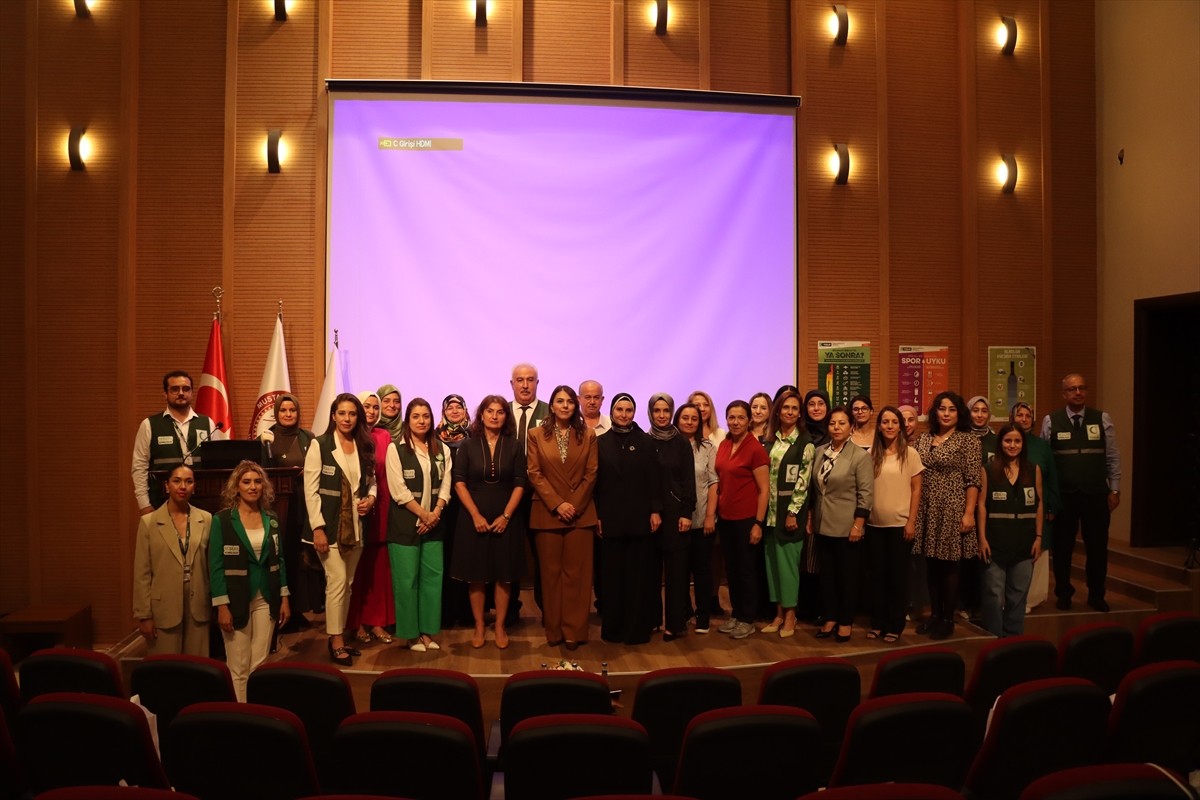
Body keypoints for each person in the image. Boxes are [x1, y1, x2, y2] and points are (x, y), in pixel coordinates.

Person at [304, 393, 377, 666]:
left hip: (357, 528)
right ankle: (335, 639)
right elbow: (310, 492)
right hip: (330, 526)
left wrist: (370, 499)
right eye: (342, 413)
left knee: (346, 584)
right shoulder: (319, 445)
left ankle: (340, 635)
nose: (347, 418)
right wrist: (318, 528)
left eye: (352, 414)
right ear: (333, 415)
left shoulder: (364, 445)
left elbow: (370, 482)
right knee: (335, 582)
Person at [1039, 373, 1121, 612]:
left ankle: (1097, 594)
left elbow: (1113, 456)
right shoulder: (1051, 421)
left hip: (1096, 494)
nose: (1078, 392)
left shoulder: (1102, 419)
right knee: (1062, 548)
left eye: (1082, 388)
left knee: (1097, 547)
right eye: (1072, 389)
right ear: (1064, 393)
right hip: (1064, 496)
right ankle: (1064, 593)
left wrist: (1114, 488)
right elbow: (1045, 461)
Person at [526, 384, 599, 650]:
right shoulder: (535, 434)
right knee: (550, 575)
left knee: (577, 577)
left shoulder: (589, 435)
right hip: (547, 513)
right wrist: (558, 504)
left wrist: (574, 505)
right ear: (552, 405)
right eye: (560, 401)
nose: (565, 405)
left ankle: (574, 632)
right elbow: (534, 473)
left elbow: (592, 474)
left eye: (569, 401)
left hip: (580, 514)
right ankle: (553, 631)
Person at [210, 460, 289, 701]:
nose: (253, 487)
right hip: (235, 599)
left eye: (257, 482)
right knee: (238, 664)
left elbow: (280, 560)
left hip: (267, 596)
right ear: (236, 487)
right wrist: (221, 606)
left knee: (260, 662)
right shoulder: (222, 521)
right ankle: (240, 714)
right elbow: (216, 567)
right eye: (246, 482)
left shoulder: (271, 519)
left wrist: (284, 597)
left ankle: (256, 711)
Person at [451, 395, 526, 649]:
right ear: (480, 415)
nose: (494, 416)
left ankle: (501, 626)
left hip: (507, 518)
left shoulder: (515, 445)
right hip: (473, 518)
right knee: (476, 576)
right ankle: (480, 625)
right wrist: (475, 515)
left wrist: (506, 516)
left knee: (503, 576)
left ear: (506, 416)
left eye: (500, 412)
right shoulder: (467, 446)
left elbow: (520, 484)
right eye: (489, 411)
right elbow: (459, 482)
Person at [911, 391, 982, 640]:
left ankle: (948, 619)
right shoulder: (923, 438)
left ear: (958, 413)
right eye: (942, 409)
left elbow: (973, 480)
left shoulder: (968, 441)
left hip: (953, 508)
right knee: (931, 565)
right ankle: (935, 615)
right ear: (935, 412)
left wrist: (969, 513)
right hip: (927, 508)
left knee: (950, 566)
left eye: (952, 409)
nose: (946, 413)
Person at [595, 394, 664, 645]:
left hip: (639, 520)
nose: (624, 414)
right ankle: (613, 630)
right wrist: (598, 515)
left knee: (638, 579)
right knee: (612, 579)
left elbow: (654, 479)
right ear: (612, 411)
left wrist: (656, 510)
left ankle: (636, 630)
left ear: (634, 413)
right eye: (619, 409)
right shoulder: (600, 442)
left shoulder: (646, 442)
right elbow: (596, 484)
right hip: (611, 519)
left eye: (628, 410)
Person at [386, 398, 452, 652]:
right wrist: (424, 515)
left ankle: (426, 632)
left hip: (435, 524)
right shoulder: (397, 449)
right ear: (408, 420)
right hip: (406, 525)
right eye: (416, 416)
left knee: (432, 581)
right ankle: (410, 634)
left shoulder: (441, 449)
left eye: (425, 416)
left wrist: (435, 512)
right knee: (407, 581)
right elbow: (398, 490)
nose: (421, 421)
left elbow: (446, 484)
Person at [132, 465, 212, 656]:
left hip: (197, 605)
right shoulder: (149, 522)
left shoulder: (206, 519)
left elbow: (211, 566)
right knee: (165, 671)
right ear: (167, 486)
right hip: (164, 607)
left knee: (197, 668)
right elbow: (142, 572)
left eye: (188, 481)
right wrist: (144, 616)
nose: (182, 486)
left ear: (194, 486)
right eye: (176, 481)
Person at [809, 407, 874, 642]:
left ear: (851, 427)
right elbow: (814, 491)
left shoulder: (859, 456)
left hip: (848, 527)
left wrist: (858, 524)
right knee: (827, 577)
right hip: (822, 524)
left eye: (842, 423)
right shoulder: (819, 452)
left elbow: (866, 494)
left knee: (847, 577)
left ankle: (845, 621)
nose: (836, 427)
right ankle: (830, 618)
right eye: (832, 423)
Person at [977, 424, 1043, 637]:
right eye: (1008, 441)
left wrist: (1039, 537)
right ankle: (995, 636)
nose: (1012, 445)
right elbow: (982, 505)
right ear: (1000, 443)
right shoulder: (988, 469)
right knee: (994, 594)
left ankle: (1014, 638)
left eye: (1017, 441)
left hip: (1024, 541)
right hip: (995, 542)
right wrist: (982, 539)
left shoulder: (1034, 470)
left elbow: (1039, 504)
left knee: (1018, 595)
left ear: (1023, 444)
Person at [261, 394, 321, 622]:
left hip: (307, 503)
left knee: (303, 556)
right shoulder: (267, 438)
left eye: (292, 410)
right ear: (276, 413)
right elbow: (262, 472)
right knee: (282, 553)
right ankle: (280, 610)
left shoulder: (309, 437)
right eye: (283, 410)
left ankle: (300, 608)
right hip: (280, 507)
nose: (288, 414)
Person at [131, 370, 226, 515]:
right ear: (165, 394)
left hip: (202, 502)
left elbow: (217, 465)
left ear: (192, 393)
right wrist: (144, 504)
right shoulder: (149, 425)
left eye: (186, 389)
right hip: (161, 501)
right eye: (175, 389)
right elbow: (139, 467)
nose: (181, 393)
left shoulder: (208, 423)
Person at [866, 407, 924, 643]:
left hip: (900, 525)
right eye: (885, 422)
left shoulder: (910, 454)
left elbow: (916, 490)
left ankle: (894, 624)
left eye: (894, 422)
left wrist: (911, 521)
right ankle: (878, 622)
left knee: (897, 578)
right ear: (879, 426)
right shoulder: (870, 454)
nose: (889, 426)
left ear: (900, 426)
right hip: (874, 525)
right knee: (877, 578)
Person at [760, 390, 814, 639]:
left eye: (794, 408)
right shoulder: (770, 440)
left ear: (799, 413)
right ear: (778, 411)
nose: (790, 412)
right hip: (769, 515)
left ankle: (791, 615)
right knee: (773, 568)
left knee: (788, 568)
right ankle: (779, 613)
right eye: (785, 408)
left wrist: (793, 512)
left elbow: (803, 483)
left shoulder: (805, 442)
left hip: (788, 516)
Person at [714, 400, 769, 641]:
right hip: (726, 519)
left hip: (747, 519)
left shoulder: (755, 448)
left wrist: (758, 523)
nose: (735, 422)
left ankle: (748, 618)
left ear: (749, 420)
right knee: (733, 571)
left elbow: (764, 489)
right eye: (731, 417)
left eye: (740, 418)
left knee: (746, 571)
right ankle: (737, 614)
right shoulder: (726, 443)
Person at [346, 391, 395, 645]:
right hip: (356, 508)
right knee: (356, 570)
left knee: (378, 569)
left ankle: (377, 622)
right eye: (368, 406)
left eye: (376, 407)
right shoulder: (348, 435)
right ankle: (355, 623)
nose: (373, 411)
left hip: (383, 507)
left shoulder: (384, 435)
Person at [646, 393, 696, 641]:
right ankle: (653, 619)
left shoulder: (681, 442)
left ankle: (674, 624)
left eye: (666, 410)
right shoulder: (645, 441)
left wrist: (687, 512)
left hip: (677, 516)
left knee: (677, 574)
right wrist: (652, 509)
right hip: (651, 517)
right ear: (651, 413)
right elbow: (645, 482)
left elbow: (689, 481)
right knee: (650, 573)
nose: (662, 415)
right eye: (657, 411)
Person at [674, 402, 719, 633]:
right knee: (679, 571)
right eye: (685, 417)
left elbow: (713, 483)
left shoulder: (709, 447)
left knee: (701, 570)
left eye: (694, 418)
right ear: (677, 419)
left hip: (702, 518)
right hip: (676, 520)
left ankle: (703, 616)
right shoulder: (669, 445)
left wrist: (710, 516)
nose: (690, 422)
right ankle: (683, 612)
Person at [1011, 401, 1059, 612]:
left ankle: (1032, 599)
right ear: (1013, 418)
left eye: (1027, 415)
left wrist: (1052, 507)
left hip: (1038, 508)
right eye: (1019, 415)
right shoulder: (1007, 442)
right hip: (1012, 510)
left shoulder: (1042, 447)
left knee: (1038, 552)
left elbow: (1052, 479)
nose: (1023, 419)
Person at [512, 363, 550, 620]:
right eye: (520, 380)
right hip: (510, 495)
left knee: (543, 552)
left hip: (542, 494)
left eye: (530, 380)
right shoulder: (500, 410)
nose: (525, 385)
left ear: (538, 383)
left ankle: (547, 608)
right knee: (511, 550)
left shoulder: (551, 411)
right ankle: (510, 610)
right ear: (511, 384)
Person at [436, 394, 472, 629]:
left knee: (466, 559)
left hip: (468, 506)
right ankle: (446, 612)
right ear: (444, 411)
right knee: (446, 557)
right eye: (450, 407)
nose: (455, 410)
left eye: (460, 406)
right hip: (443, 506)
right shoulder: (433, 437)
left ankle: (467, 612)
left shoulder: (474, 437)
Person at [967, 395, 999, 461]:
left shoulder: (996, 440)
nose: (980, 415)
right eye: (975, 411)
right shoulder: (961, 438)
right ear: (968, 413)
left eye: (984, 411)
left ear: (989, 414)